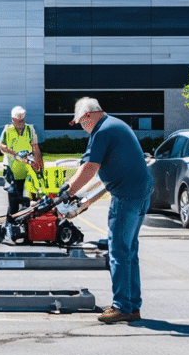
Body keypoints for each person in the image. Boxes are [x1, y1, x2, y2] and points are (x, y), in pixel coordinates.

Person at [60, 97, 153, 324]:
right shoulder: (114, 125)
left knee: (119, 252)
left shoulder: (102, 132)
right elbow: (99, 173)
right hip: (140, 192)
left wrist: (67, 191)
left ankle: (122, 307)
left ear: (88, 116)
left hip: (127, 196)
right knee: (129, 252)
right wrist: (80, 196)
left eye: (82, 123)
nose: (83, 128)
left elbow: (89, 169)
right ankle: (132, 306)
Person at [0, 106, 43, 218]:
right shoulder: (7, 130)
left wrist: (39, 167)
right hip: (11, 169)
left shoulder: (30, 130)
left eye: (22, 120)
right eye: (18, 120)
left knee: (27, 194)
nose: (21, 122)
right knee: (13, 195)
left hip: (25, 168)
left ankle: (21, 218)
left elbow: (35, 148)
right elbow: (1, 145)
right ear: (13, 119)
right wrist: (14, 154)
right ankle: (12, 221)